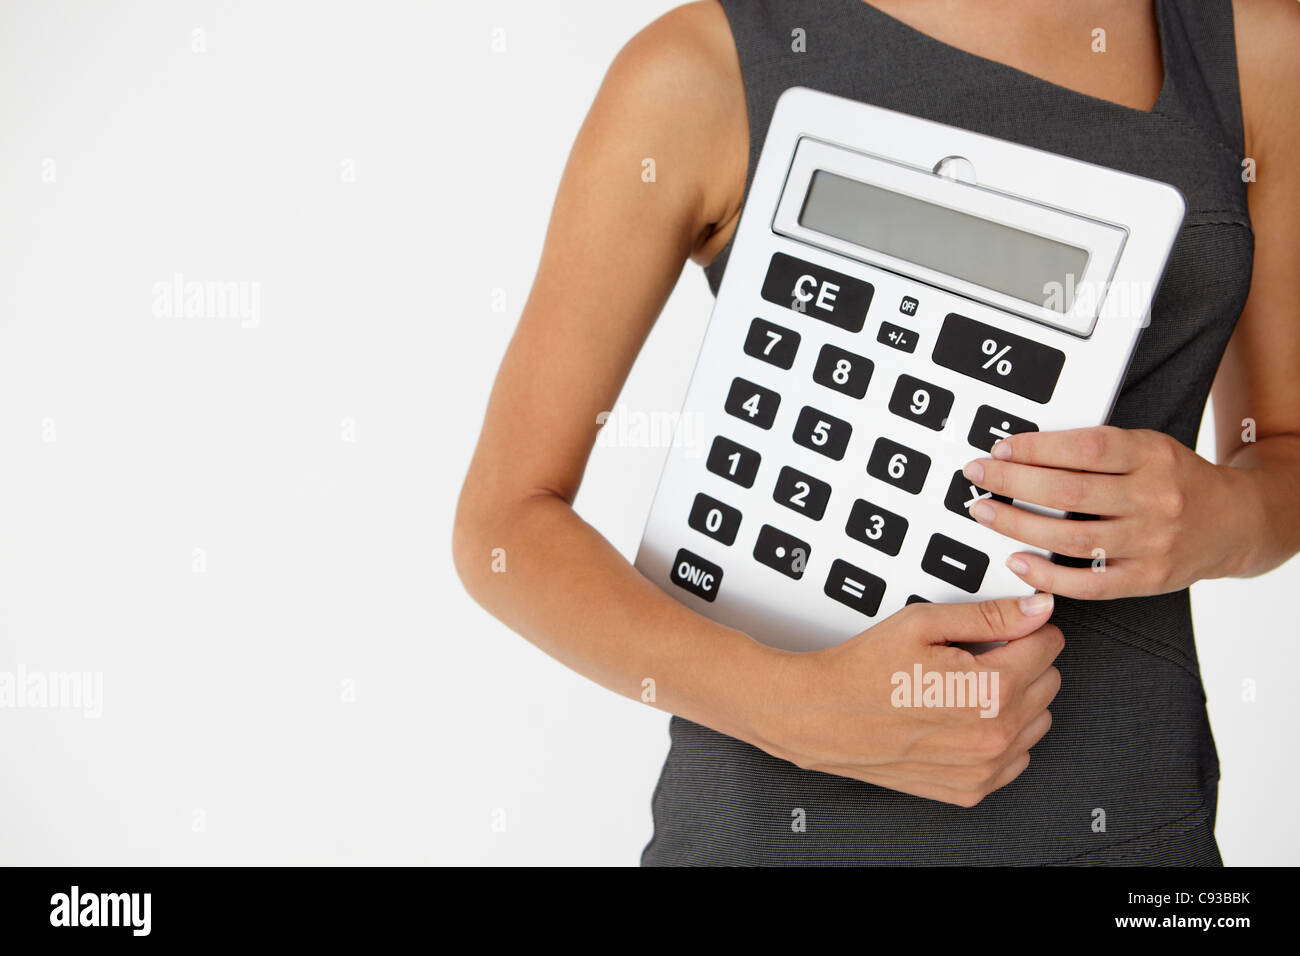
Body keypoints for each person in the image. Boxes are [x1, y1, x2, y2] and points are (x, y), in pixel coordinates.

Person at [454, 0, 1300, 865]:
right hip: (769, 836)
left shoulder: (1253, 53)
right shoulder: (701, 64)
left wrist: (1225, 518)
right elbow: (504, 526)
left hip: (1132, 834)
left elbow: (1285, 448)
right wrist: (787, 707)